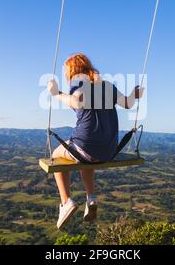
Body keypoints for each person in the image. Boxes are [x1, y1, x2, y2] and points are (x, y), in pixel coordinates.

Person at [47, 53, 143, 229]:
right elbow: (128, 103)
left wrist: (56, 93)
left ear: (74, 70)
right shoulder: (106, 85)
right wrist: (135, 94)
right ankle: (91, 198)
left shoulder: (78, 82)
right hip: (108, 151)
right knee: (86, 159)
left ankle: (66, 202)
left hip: (85, 147)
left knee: (56, 156)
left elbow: (76, 102)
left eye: (66, 70)